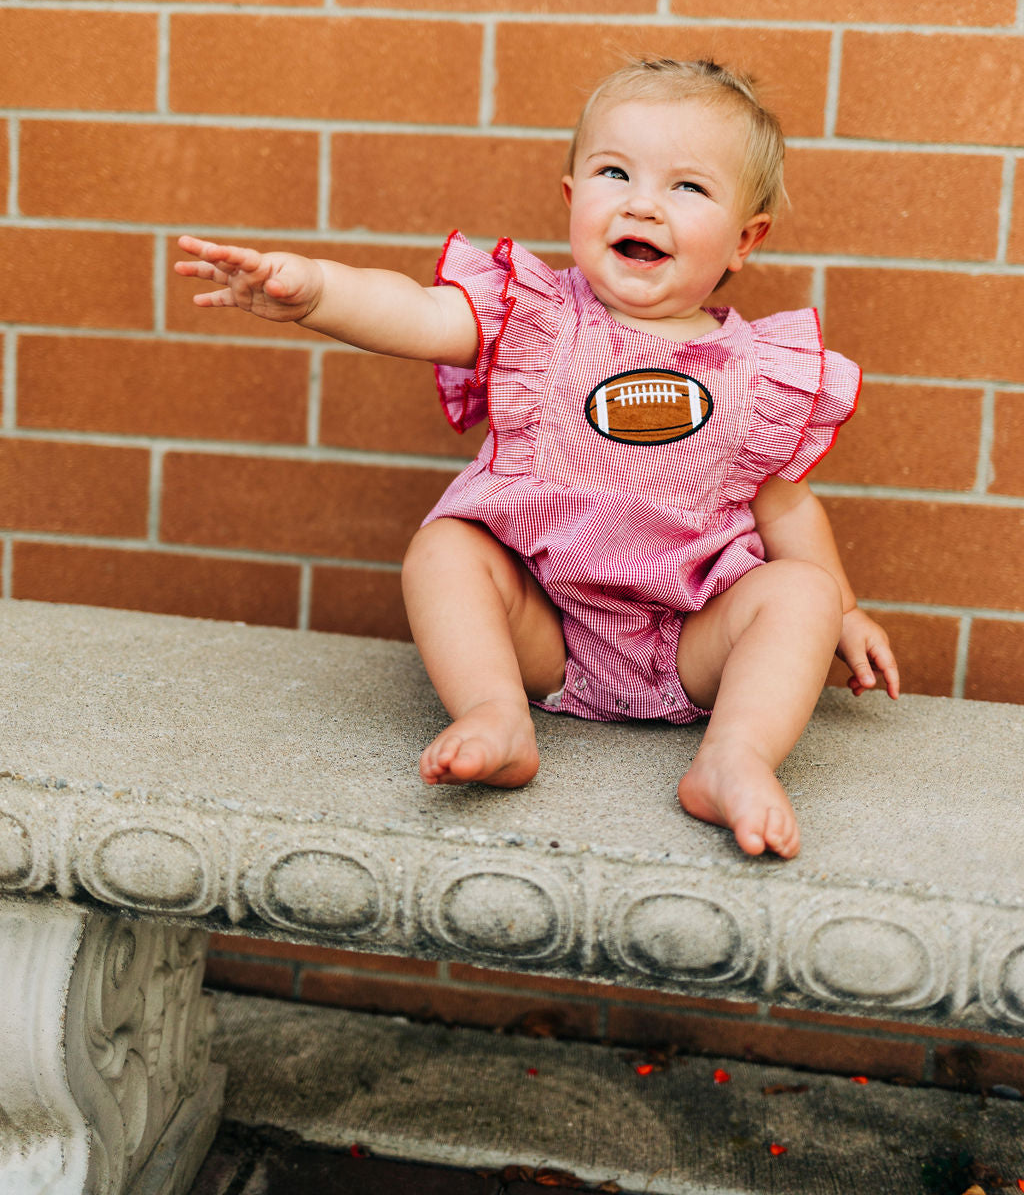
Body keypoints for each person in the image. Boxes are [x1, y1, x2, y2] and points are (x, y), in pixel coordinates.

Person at [175, 57, 898, 860]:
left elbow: (785, 502)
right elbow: (414, 311)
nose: (642, 203)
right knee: (446, 546)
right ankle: (494, 711)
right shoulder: (539, 321)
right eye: (614, 172)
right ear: (571, 197)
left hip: (692, 639)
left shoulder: (758, 373)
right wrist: (316, 293)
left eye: (688, 188)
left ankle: (735, 757)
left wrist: (847, 608)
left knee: (802, 592)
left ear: (744, 239)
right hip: (548, 630)